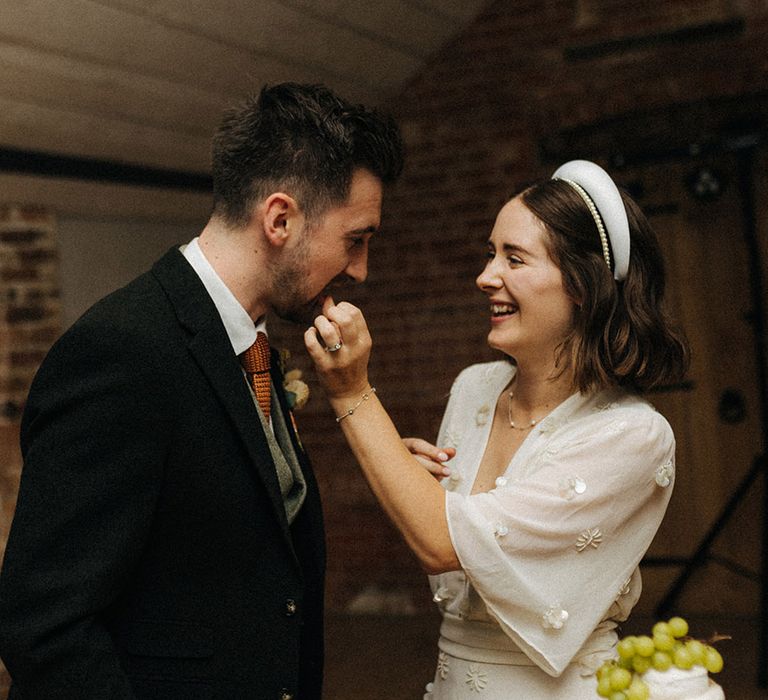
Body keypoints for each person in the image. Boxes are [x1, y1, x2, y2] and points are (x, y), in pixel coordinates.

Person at [0, 82, 403, 699]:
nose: (360, 269)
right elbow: (46, 625)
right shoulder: (122, 351)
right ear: (280, 219)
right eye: (356, 238)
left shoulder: (254, 345)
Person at [305, 160, 689, 698]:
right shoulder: (475, 389)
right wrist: (411, 481)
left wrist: (350, 392)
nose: (486, 276)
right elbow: (457, 547)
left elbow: (443, 543)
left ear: (582, 283)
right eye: (491, 254)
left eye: (514, 257)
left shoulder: (631, 436)